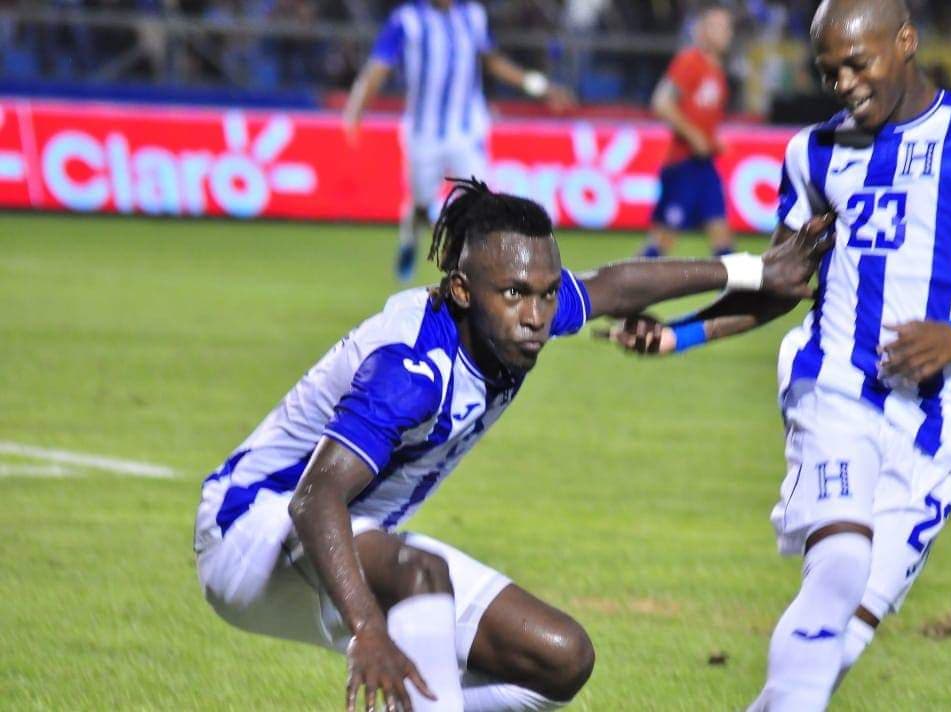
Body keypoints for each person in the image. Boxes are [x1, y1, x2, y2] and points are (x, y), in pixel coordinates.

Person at [193, 178, 831, 712]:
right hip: (253, 534)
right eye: (516, 295)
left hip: (349, 541)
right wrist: (366, 628)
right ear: (464, 290)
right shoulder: (411, 369)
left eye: (547, 293)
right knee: (423, 576)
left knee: (559, 659)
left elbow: (615, 285)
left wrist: (753, 268)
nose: (536, 314)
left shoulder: (517, 314)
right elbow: (315, 498)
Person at [601, 0, 951, 709]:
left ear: (905, 41)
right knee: (838, 565)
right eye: (827, 69)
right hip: (832, 387)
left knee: (848, 632)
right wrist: (680, 332)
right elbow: (783, 284)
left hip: (932, 427)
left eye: (857, 63)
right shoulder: (811, 152)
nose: (841, 82)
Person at [342, 0, 574, 283]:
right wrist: (356, 109)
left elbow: (492, 60)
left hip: (467, 130)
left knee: (478, 201)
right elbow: (379, 67)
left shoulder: (473, 15)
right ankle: (411, 235)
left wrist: (539, 86)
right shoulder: (407, 20)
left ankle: (468, 272)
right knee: (421, 201)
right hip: (423, 133)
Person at [639, 4, 736, 259]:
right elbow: (661, 102)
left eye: (728, 27)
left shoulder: (717, 72)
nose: (726, 33)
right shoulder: (690, 61)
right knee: (662, 240)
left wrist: (712, 141)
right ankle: (627, 290)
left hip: (703, 164)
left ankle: (737, 296)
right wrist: (694, 136)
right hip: (682, 164)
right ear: (702, 31)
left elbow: (701, 118)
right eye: (718, 27)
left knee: (722, 236)